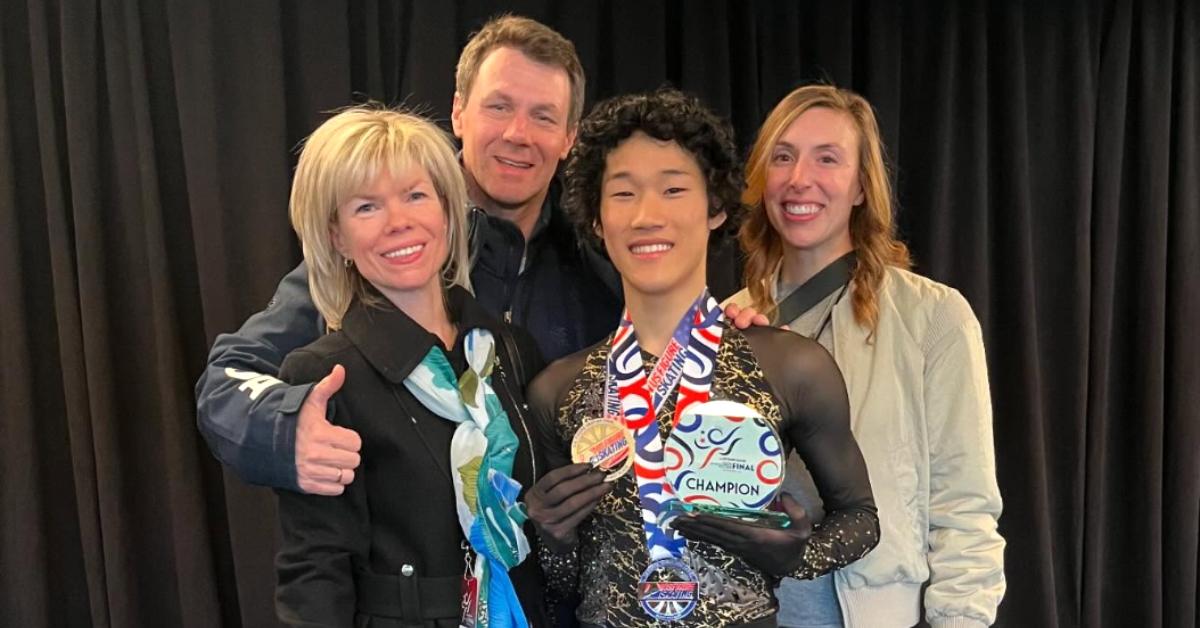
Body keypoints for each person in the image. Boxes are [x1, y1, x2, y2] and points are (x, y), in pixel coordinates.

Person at [194, 15, 620, 496]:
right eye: (498, 107)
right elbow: (229, 380)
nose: (518, 133)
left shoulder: (600, 261)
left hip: (548, 561)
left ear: (569, 137)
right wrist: (288, 430)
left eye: (543, 116)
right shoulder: (390, 247)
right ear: (459, 112)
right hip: (407, 564)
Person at [523, 89, 879, 627]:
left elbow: (862, 518)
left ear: (714, 208)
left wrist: (797, 555)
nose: (647, 215)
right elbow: (565, 588)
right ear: (596, 220)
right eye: (622, 194)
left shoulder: (790, 366)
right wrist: (552, 538)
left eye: (673, 189)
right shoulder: (558, 389)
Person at [725, 84, 1006, 628]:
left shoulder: (932, 318)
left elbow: (964, 509)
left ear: (860, 186)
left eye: (827, 158)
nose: (799, 178)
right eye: (782, 157)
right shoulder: (725, 324)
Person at [272, 106, 548, 627]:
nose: (399, 221)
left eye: (416, 195)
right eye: (367, 207)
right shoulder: (323, 376)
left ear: (447, 209)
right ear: (336, 237)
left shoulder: (506, 350)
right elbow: (314, 570)